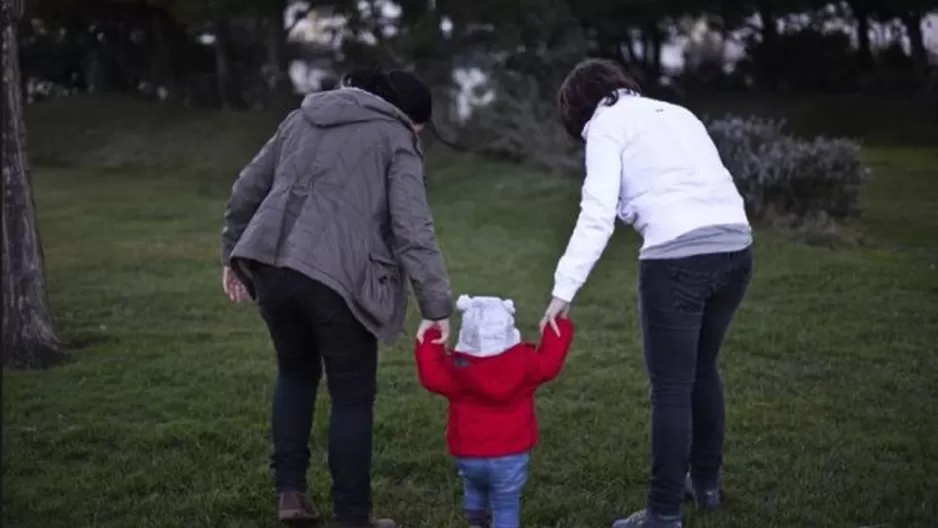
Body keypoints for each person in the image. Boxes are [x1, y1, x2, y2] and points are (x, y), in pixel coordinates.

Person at [220, 68, 454, 528]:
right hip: (337, 279)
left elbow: (248, 186)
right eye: (421, 129)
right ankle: (353, 517)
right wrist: (436, 305)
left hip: (271, 267)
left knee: (295, 374)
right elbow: (413, 228)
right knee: (351, 397)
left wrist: (232, 254)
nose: (419, 137)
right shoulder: (395, 135)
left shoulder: (301, 117)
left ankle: (290, 493)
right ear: (410, 117)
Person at [539, 59, 754, 528]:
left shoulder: (605, 127)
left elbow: (596, 213)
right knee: (701, 369)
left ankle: (663, 512)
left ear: (578, 109)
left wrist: (563, 290)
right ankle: (707, 484)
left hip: (677, 259)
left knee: (672, 388)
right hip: (737, 248)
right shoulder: (677, 113)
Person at [415, 295, 574, 528]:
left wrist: (431, 335)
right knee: (506, 504)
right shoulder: (527, 365)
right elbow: (550, 362)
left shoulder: (455, 371)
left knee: (475, 487)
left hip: (468, 453)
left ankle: (477, 522)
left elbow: (430, 374)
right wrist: (557, 324)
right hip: (511, 454)